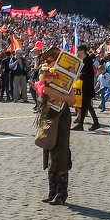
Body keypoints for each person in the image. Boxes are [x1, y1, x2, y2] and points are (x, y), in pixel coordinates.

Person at [38, 48, 76, 205]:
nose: (48, 64)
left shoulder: (66, 79)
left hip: (61, 116)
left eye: (50, 61)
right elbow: (42, 93)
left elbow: (72, 100)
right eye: (47, 62)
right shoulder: (45, 75)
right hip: (48, 113)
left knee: (60, 151)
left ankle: (62, 194)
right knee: (48, 149)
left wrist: (54, 94)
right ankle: (52, 190)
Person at [71, 46, 100, 131]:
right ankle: (91, 123)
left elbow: (88, 74)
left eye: (78, 50)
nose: (77, 52)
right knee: (86, 106)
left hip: (88, 87)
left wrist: (79, 75)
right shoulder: (83, 60)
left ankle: (86, 124)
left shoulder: (88, 61)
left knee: (86, 105)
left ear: (82, 51)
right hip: (84, 86)